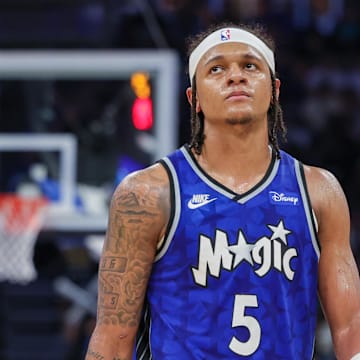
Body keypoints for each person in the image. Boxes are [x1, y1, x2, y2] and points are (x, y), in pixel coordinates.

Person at [85, 22, 360, 360]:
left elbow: (351, 327)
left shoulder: (318, 191)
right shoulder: (147, 194)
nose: (236, 76)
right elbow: (113, 337)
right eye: (216, 69)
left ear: (274, 90)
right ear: (194, 98)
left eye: (250, 66)